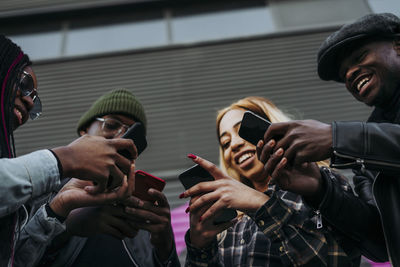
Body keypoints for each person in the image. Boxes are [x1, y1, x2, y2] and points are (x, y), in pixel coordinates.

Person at [257, 13, 400, 265]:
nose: (350, 75)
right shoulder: (362, 153)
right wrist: (320, 189)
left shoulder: (355, 144)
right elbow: (380, 244)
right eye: (344, 74)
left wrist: (337, 137)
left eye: (360, 57)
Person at [0, 36, 136, 266]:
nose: (31, 102)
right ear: (83, 132)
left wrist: (59, 209)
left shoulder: (132, 210)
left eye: (132, 132)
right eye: (25, 85)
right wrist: (63, 160)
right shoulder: (41, 185)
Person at [181, 96, 361, 266]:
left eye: (242, 131)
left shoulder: (320, 185)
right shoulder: (229, 219)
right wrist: (201, 248)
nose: (234, 145)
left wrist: (263, 205)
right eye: (226, 143)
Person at [15, 89, 180, 267]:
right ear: (84, 132)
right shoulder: (43, 188)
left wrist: (165, 248)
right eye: (111, 125)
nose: (120, 136)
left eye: (132, 132)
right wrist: (64, 226)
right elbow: (13, 259)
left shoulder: (139, 205)